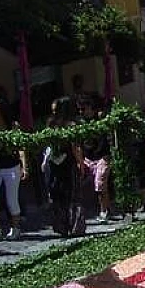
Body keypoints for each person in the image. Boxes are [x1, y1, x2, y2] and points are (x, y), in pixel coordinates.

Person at [0, 98, 28, 241]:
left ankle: (15, 228)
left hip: (11, 166)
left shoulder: (13, 126)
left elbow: (21, 147)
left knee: (11, 199)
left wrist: (24, 166)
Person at [46, 97, 86, 237]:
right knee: (72, 195)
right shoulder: (70, 125)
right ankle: (74, 225)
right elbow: (76, 147)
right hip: (67, 162)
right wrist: (81, 163)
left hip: (57, 162)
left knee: (59, 194)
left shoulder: (53, 124)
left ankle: (62, 226)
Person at [80, 101, 112, 223]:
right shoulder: (81, 124)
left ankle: (104, 210)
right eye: (80, 109)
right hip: (88, 158)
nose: (81, 112)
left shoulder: (100, 120)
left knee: (100, 183)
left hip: (102, 156)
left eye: (84, 108)